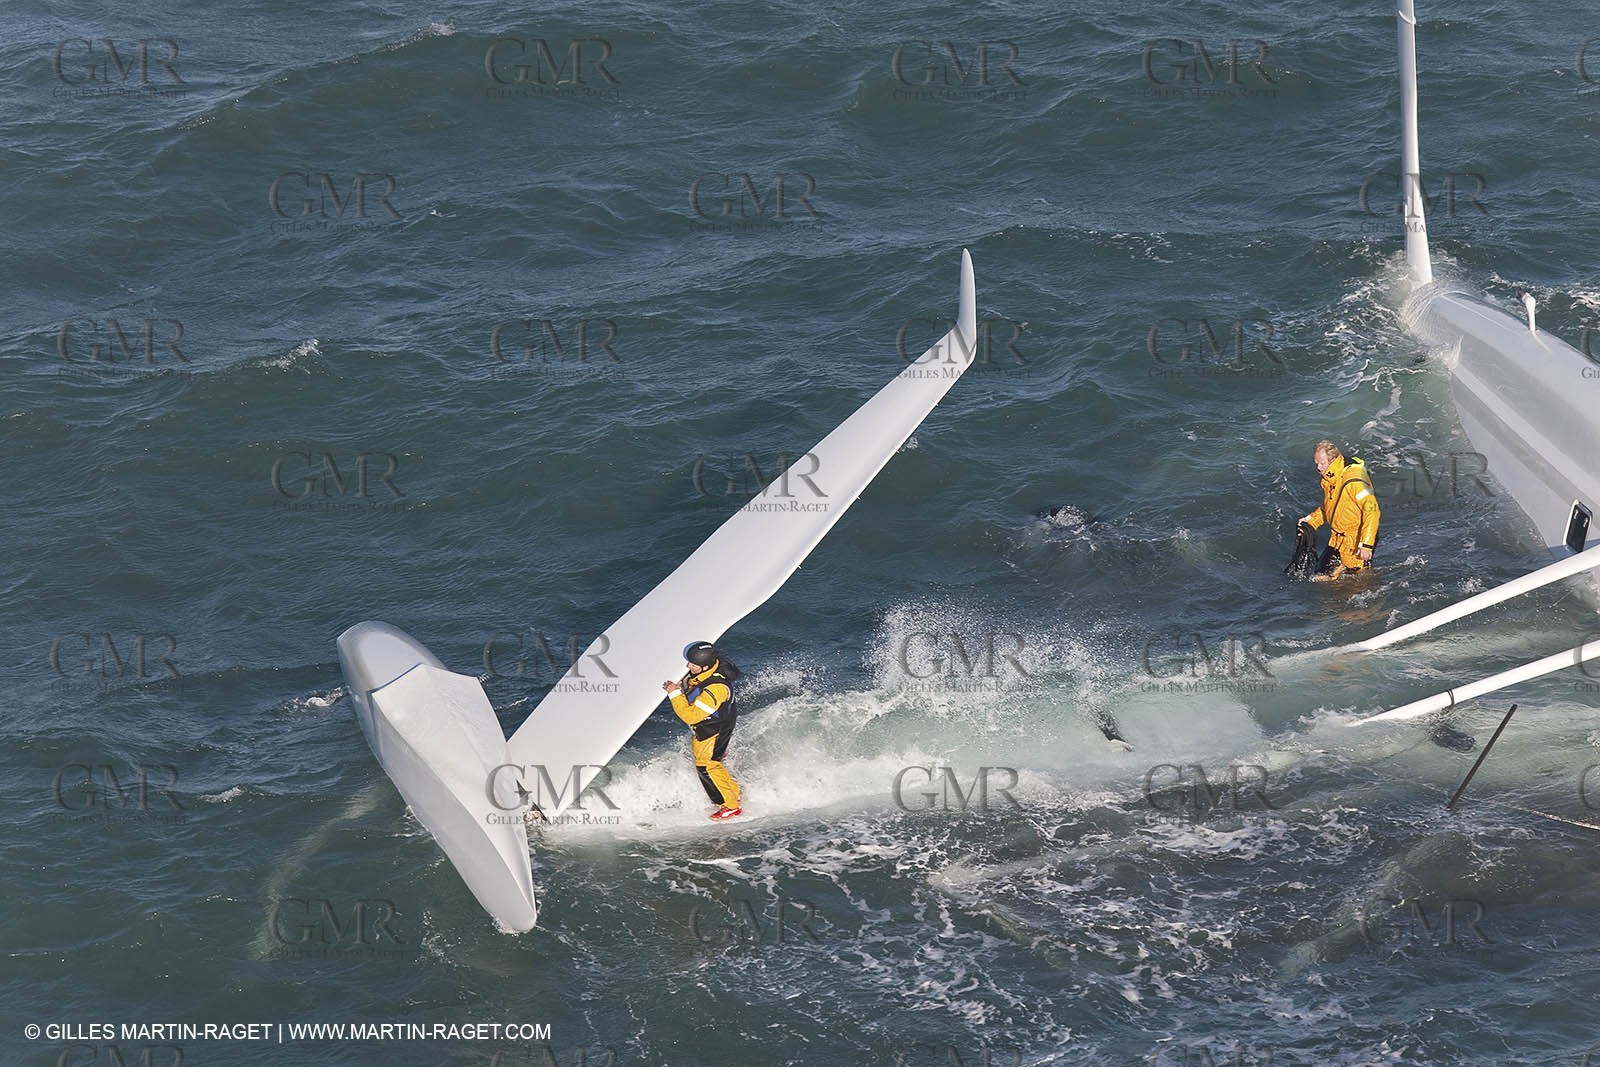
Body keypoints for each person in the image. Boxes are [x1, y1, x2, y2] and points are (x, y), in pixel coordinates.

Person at [661, 641, 742, 820]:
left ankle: (730, 806)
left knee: (706, 765)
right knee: (713, 761)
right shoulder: (710, 668)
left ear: (705, 666)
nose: (688, 666)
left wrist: (674, 693)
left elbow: (691, 716)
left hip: (713, 729)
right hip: (715, 725)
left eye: (692, 664)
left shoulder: (716, 688)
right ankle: (733, 792)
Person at [1299, 440, 1380, 581]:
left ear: (1333, 460)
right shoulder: (1331, 479)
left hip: (1355, 542)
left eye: (1322, 464)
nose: (1318, 468)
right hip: (1337, 540)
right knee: (1319, 576)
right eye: (1316, 463)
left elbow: (1372, 511)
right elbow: (1331, 507)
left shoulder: (1354, 482)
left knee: (1357, 584)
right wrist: (1310, 521)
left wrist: (1366, 544)